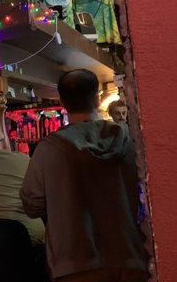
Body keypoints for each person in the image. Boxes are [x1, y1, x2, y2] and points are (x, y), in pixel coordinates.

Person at [20, 69, 149, 282]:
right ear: (98, 98)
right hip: (131, 257)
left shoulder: (49, 148)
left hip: (74, 263)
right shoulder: (131, 141)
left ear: (62, 101)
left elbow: (32, 204)